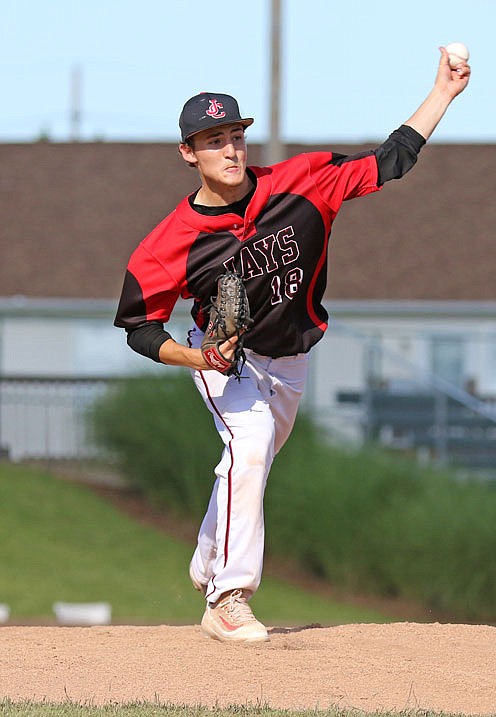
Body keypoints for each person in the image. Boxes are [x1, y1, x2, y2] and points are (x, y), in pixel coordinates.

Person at [114, 47, 470, 643]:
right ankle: (228, 596)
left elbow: (392, 160)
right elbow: (140, 327)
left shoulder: (302, 183)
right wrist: (197, 356)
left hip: (293, 357)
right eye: (212, 140)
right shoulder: (167, 243)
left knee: (254, 461)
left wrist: (443, 92)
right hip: (226, 357)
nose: (229, 150)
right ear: (188, 153)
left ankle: (208, 557)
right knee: (248, 447)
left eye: (235, 135)